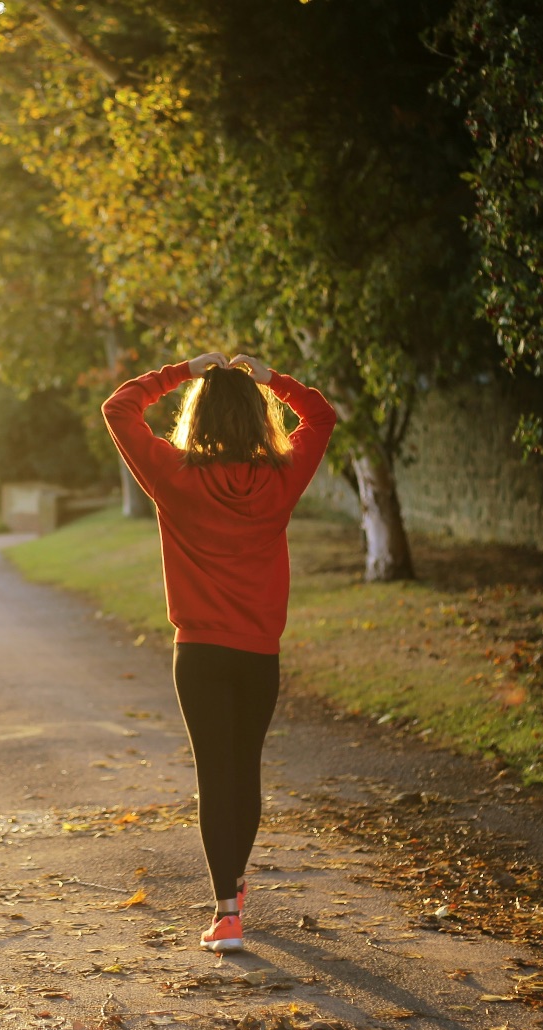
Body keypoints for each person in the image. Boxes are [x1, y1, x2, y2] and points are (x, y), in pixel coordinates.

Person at [101, 351, 337, 952]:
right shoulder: (282, 477)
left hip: (199, 653)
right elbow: (322, 415)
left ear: (198, 418)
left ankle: (227, 911)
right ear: (259, 420)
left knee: (215, 774)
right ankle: (232, 883)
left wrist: (182, 371)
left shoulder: (174, 475)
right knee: (245, 769)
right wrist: (272, 380)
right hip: (259, 653)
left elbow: (119, 408)